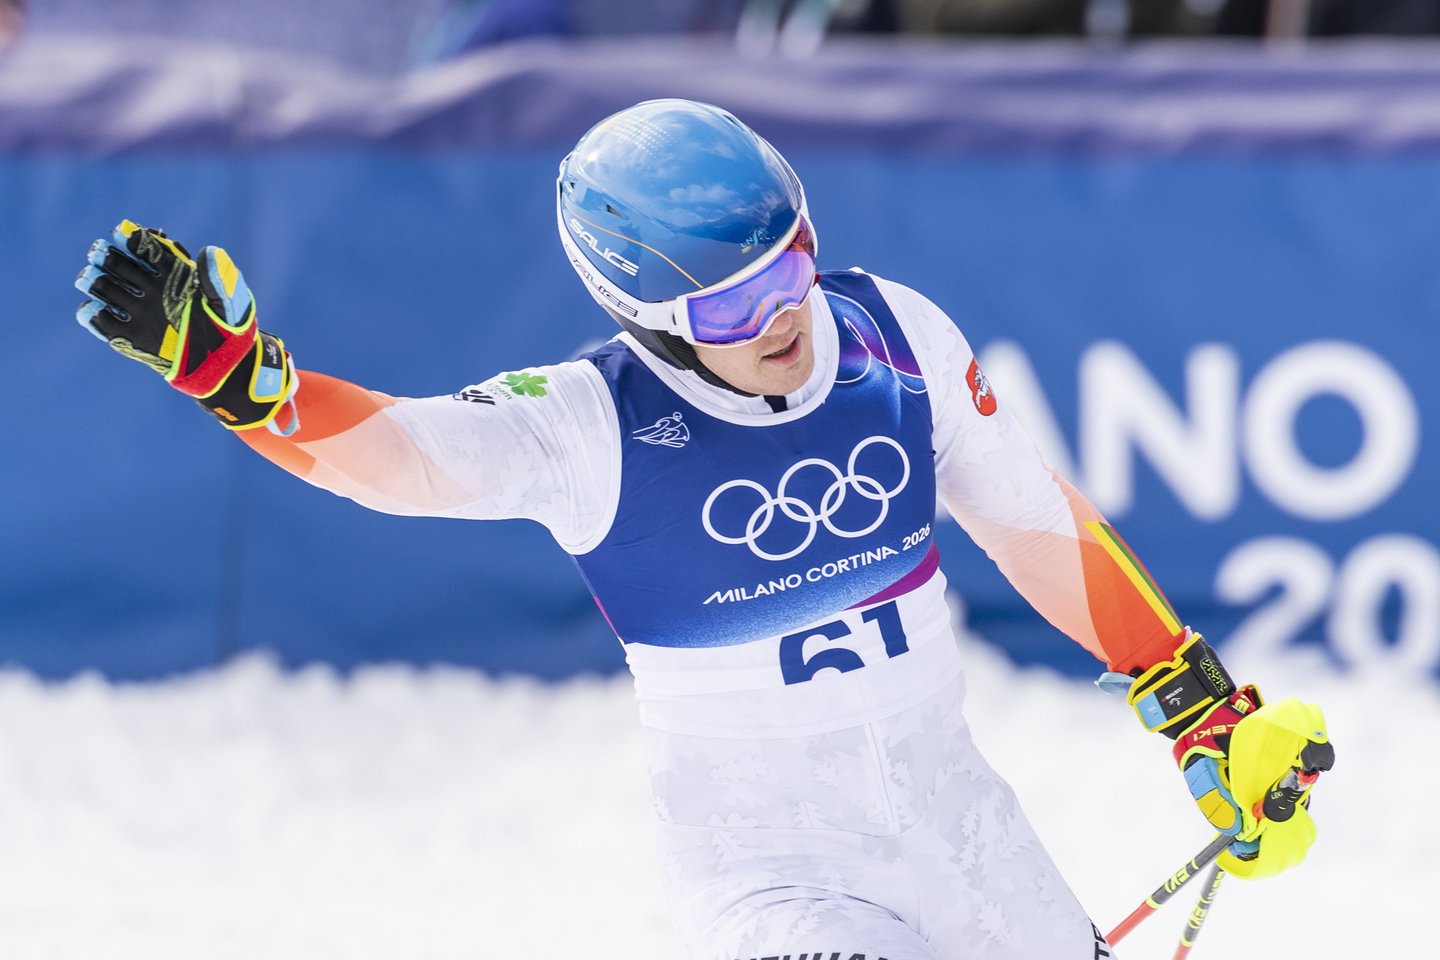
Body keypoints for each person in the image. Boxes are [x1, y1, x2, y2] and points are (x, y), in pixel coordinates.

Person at [74, 99, 1330, 960]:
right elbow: (400, 460)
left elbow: (1035, 524)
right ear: (646, 315)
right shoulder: (589, 424)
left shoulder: (894, 338)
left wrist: (1198, 709)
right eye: (731, 305)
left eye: (789, 265)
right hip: (774, 876)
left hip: (964, 831)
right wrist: (243, 383)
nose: (782, 315)